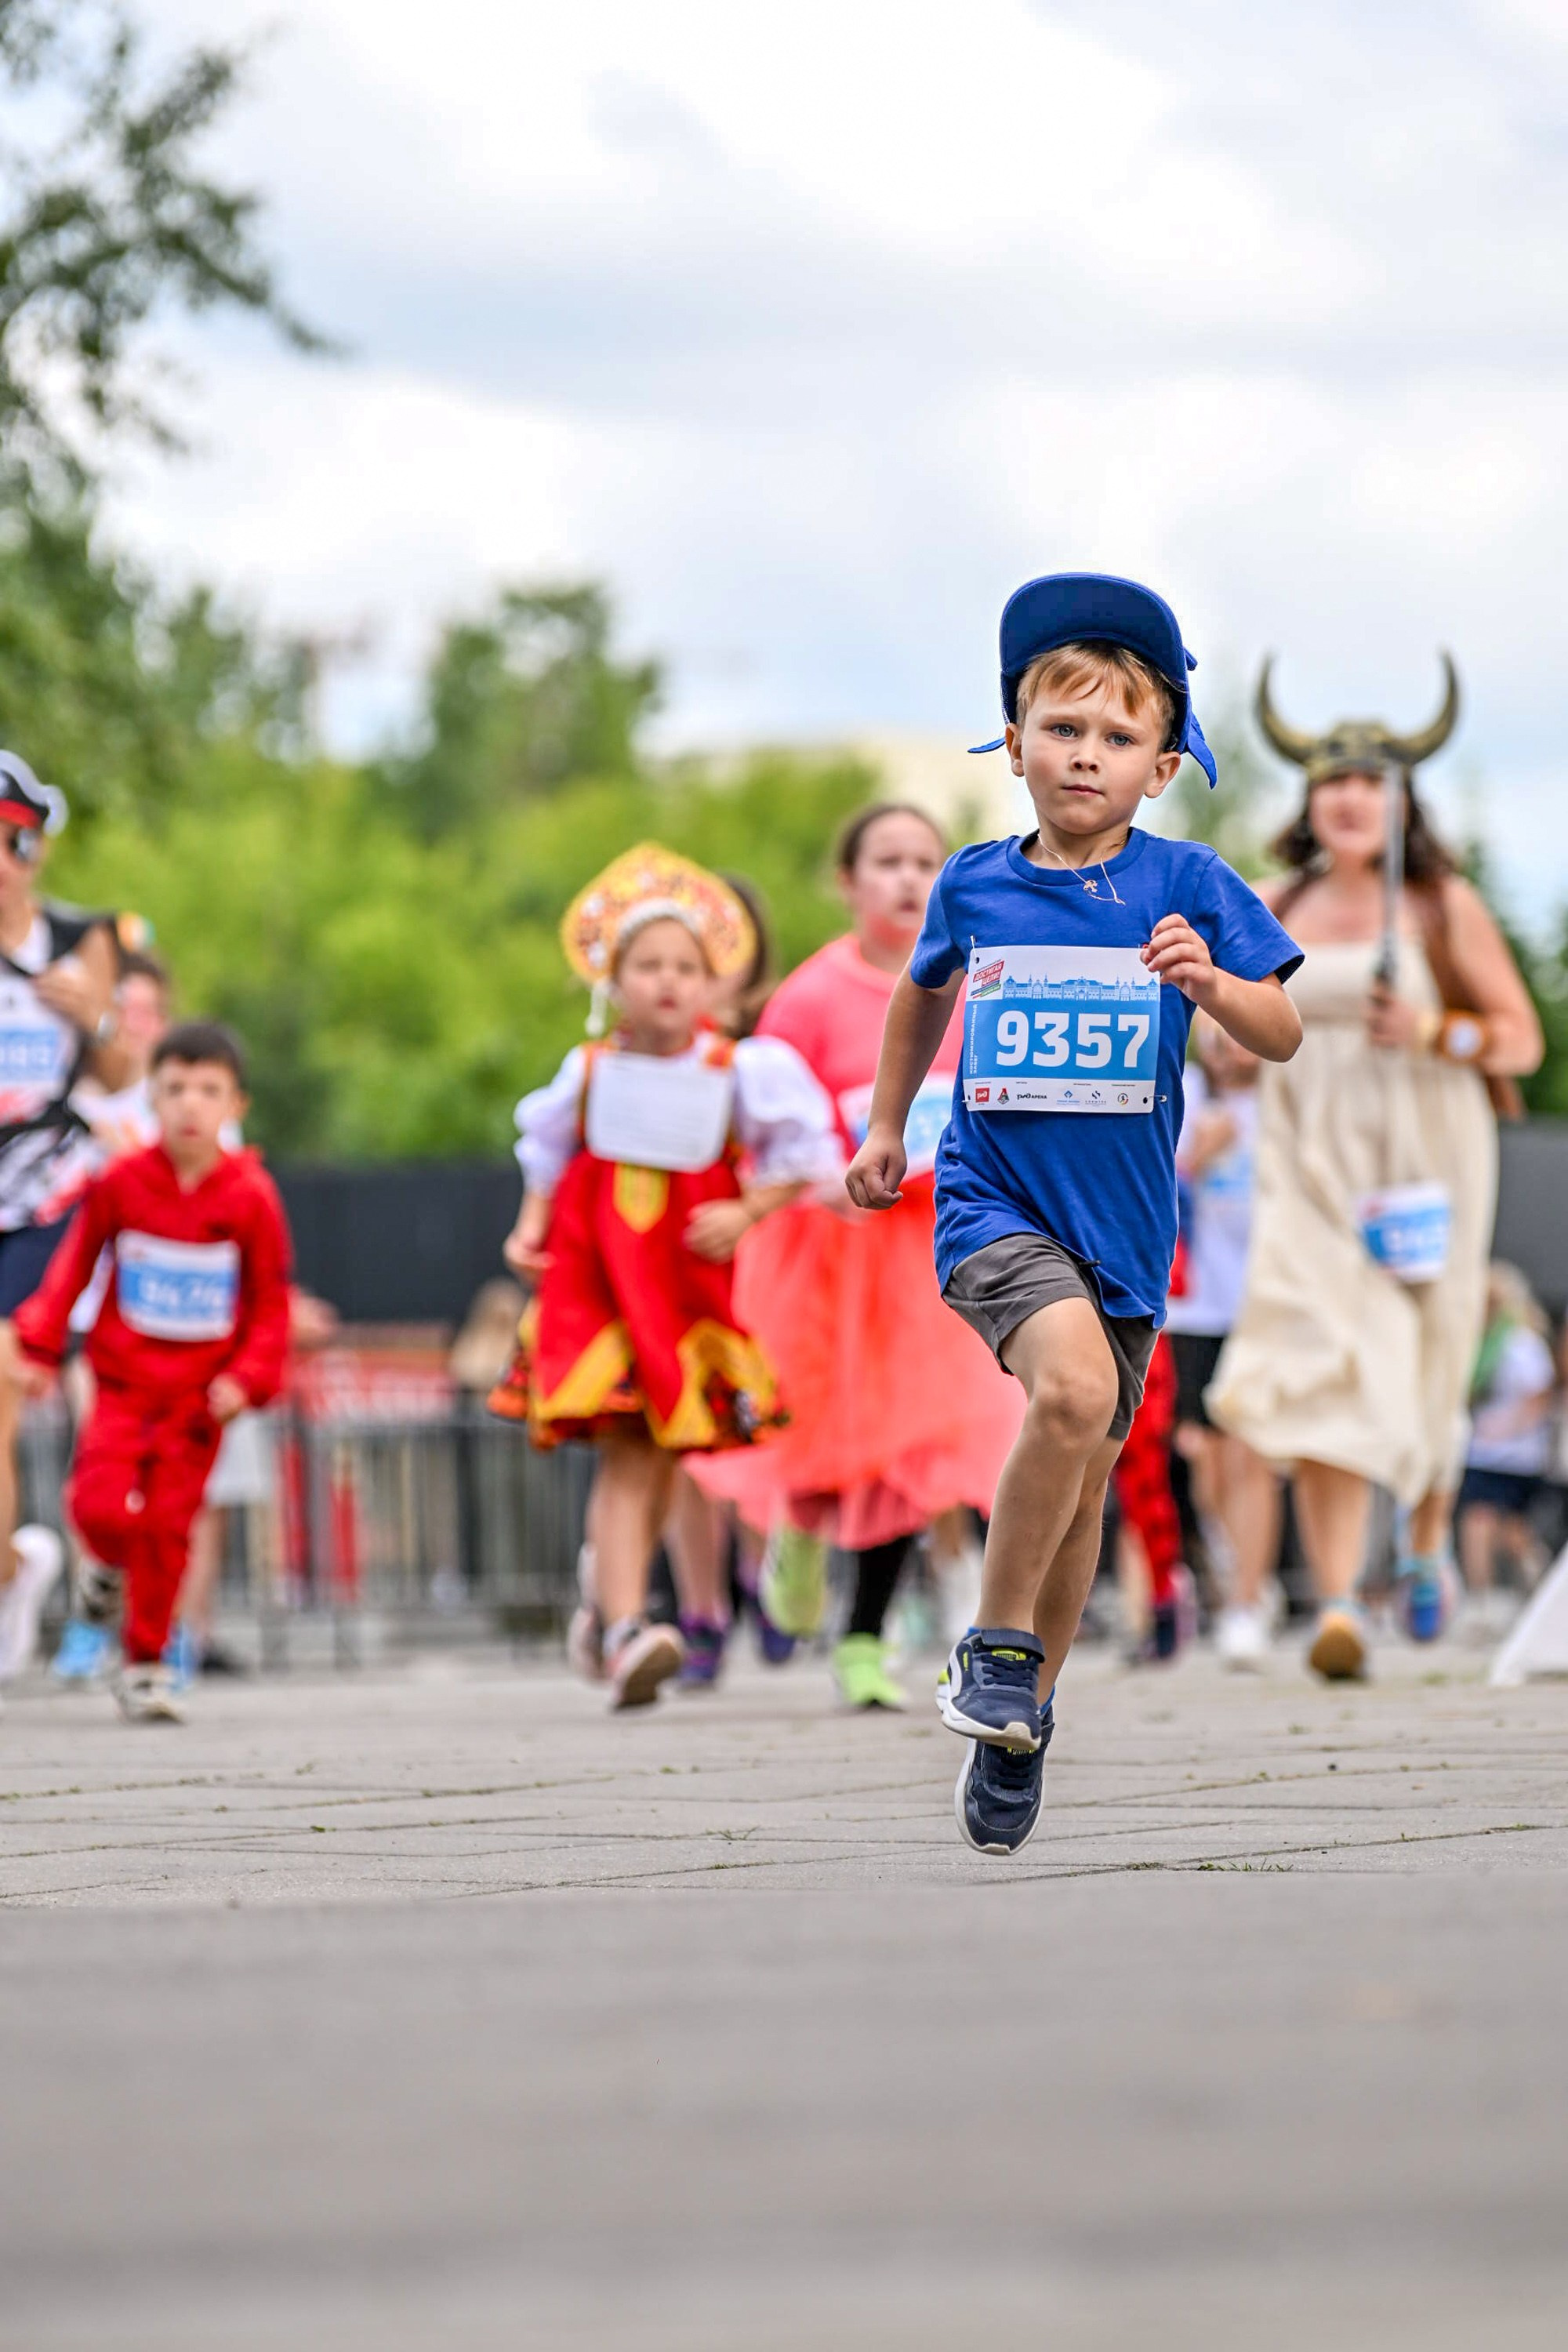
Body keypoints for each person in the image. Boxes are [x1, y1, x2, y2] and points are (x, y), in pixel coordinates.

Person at [846, 572, 1302, 1855]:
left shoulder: (1188, 880)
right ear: (1016, 739)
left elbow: (1280, 1029)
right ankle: (992, 1649)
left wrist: (1210, 979)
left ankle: (1026, 1711)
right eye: (1062, 728)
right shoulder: (978, 886)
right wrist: (889, 1127)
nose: (1086, 755)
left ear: (1163, 765)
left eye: (1115, 737)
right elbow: (920, 998)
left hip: (1127, 1226)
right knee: (1069, 1397)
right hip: (994, 1203)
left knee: (1090, 1460)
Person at [1207, 661, 1543, 1679]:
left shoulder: (1444, 905)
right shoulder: (1274, 899)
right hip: (1307, 1151)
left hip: (1426, 1151)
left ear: (1401, 802)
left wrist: (1439, 1027)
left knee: (1428, 1358)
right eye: (1333, 782)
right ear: (1311, 802)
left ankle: (1430, 1535)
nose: (1350, 797)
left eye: (1370, 783)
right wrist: (1224, 1040)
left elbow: (1521, 1041)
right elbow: (1225, 1021)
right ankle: (1344, 1602)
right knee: (1317, 1353)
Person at [490, 844, 837, 1711]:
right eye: (646, 965)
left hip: (681, 1291)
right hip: (598, 1283)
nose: (668, 982)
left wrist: (748, 1211)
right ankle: (621, 1626)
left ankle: (604, 1606)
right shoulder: (592, 1070)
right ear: (612, 978)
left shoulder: (738, 1072)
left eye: (687, 965)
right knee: (629, 1452)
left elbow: (801, 1155)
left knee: (655, 1456)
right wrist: (529, 1231)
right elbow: (546, 1152)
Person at [695, 802, 1022, 1708]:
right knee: (816, 1432)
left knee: (909, 1449)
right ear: (846, 882)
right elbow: (761, 1125)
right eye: (887, 861)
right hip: (825, 1254)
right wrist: (818, 1180)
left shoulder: (969, 984)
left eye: (925, 861)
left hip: (927, 1253)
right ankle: (795, 1539)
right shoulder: (806, 997)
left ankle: (865, 1641)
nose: (909, 879)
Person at [2, 1022, 292, 1721]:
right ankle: (101, 1568)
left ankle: (147, 1662)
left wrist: (246, 1379)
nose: (191, 1105)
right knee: (96, 1505)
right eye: (175, 1089)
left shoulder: (251, 1197)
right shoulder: (121, 1183)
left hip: (199, 1401)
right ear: (152, 1101)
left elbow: (270, 1304)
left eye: (209, 1091)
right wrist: (39, 1349)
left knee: (169, 1528)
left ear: (236, 1105)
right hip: (124, 1388)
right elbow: (70, 1269)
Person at [0, 751, 136, 1697]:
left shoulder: (83, 940)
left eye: (15, 842)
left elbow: (128, 1072)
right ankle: (17, 1572)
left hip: (49, 1196)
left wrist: (93, 1019)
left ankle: (79, 1582)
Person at [1165, 1015, 1282, 1667]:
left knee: (1250, 1454)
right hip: (1195, 1305)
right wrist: (1195, 1157)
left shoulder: (1282, 1104)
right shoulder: (1183, 1093)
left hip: (1262, 1304)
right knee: (1200, 1458)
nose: (1232, 1045)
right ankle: (1230, 1558)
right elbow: (1155, 1186)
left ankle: (1245, 1599)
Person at [1454, 1262, 1557, 1632]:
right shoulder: (1486, 1342)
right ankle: (1536, 1586)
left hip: (1507, 1453)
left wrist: (1508, 1428)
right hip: (1489, 1450)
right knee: (1505, 1527)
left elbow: (1538, 1393)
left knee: (1481, 1522)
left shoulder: (1516, 1342)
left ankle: (1484, 1598)